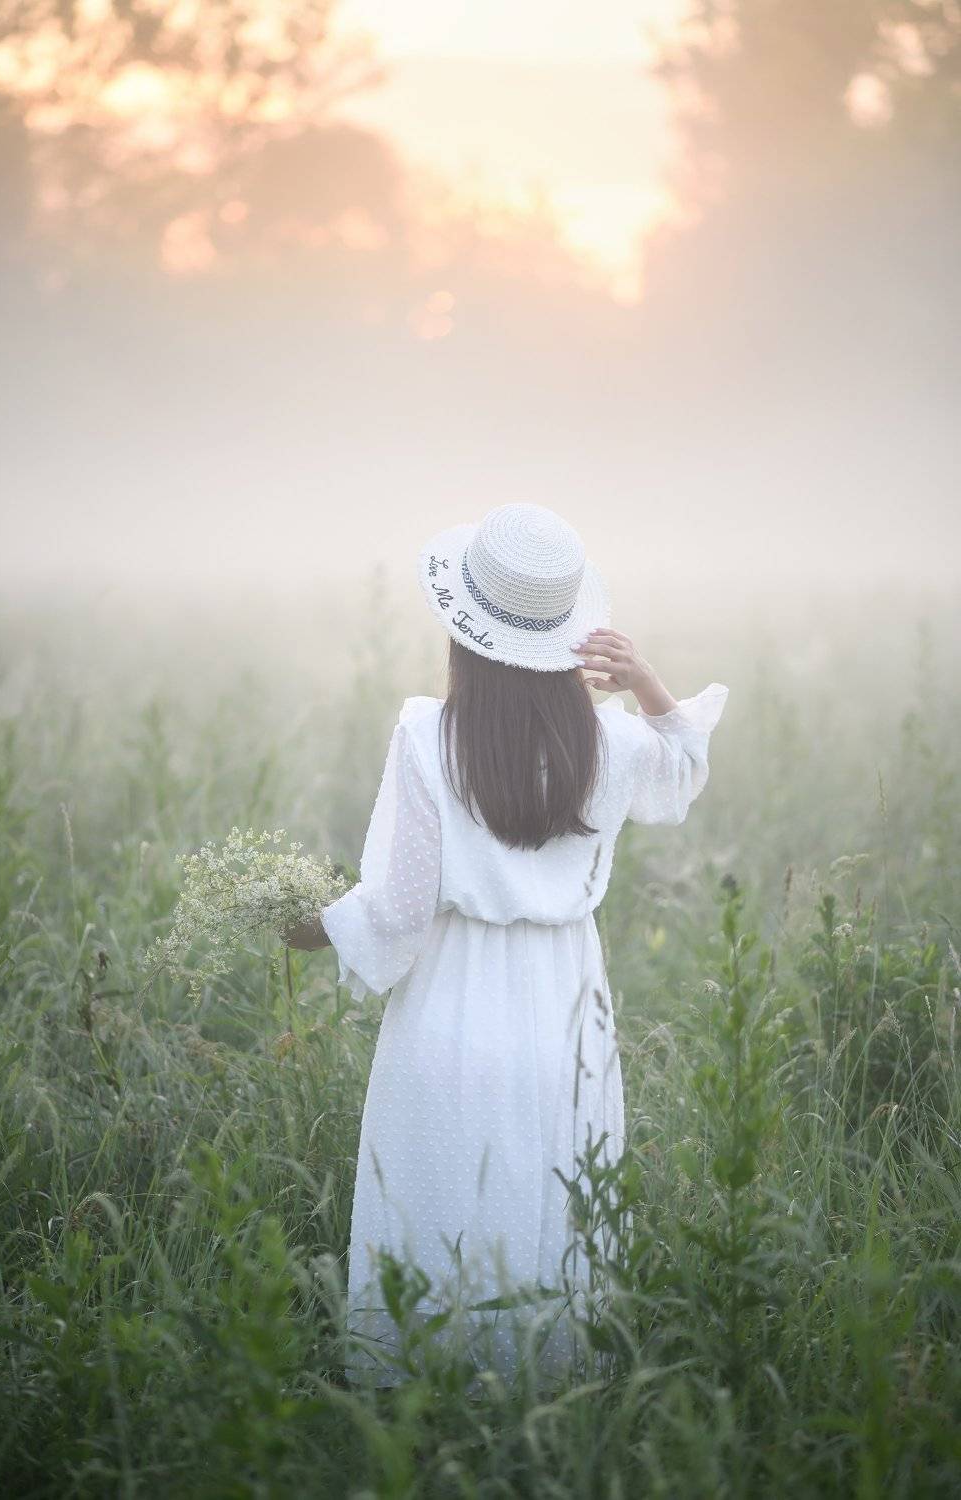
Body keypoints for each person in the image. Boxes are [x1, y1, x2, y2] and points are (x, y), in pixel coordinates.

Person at [285, 502, 728, 1386]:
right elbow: (683, 768)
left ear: (465, 635)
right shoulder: (610, 741)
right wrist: (645, 680)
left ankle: (429, 1380)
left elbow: (399, 908)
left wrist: (318, 924)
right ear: (567, 638)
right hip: (567, 1001)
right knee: (555, 1179)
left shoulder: (428, 737)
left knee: (442, 1181)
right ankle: (550, 1381)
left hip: (454, 995)